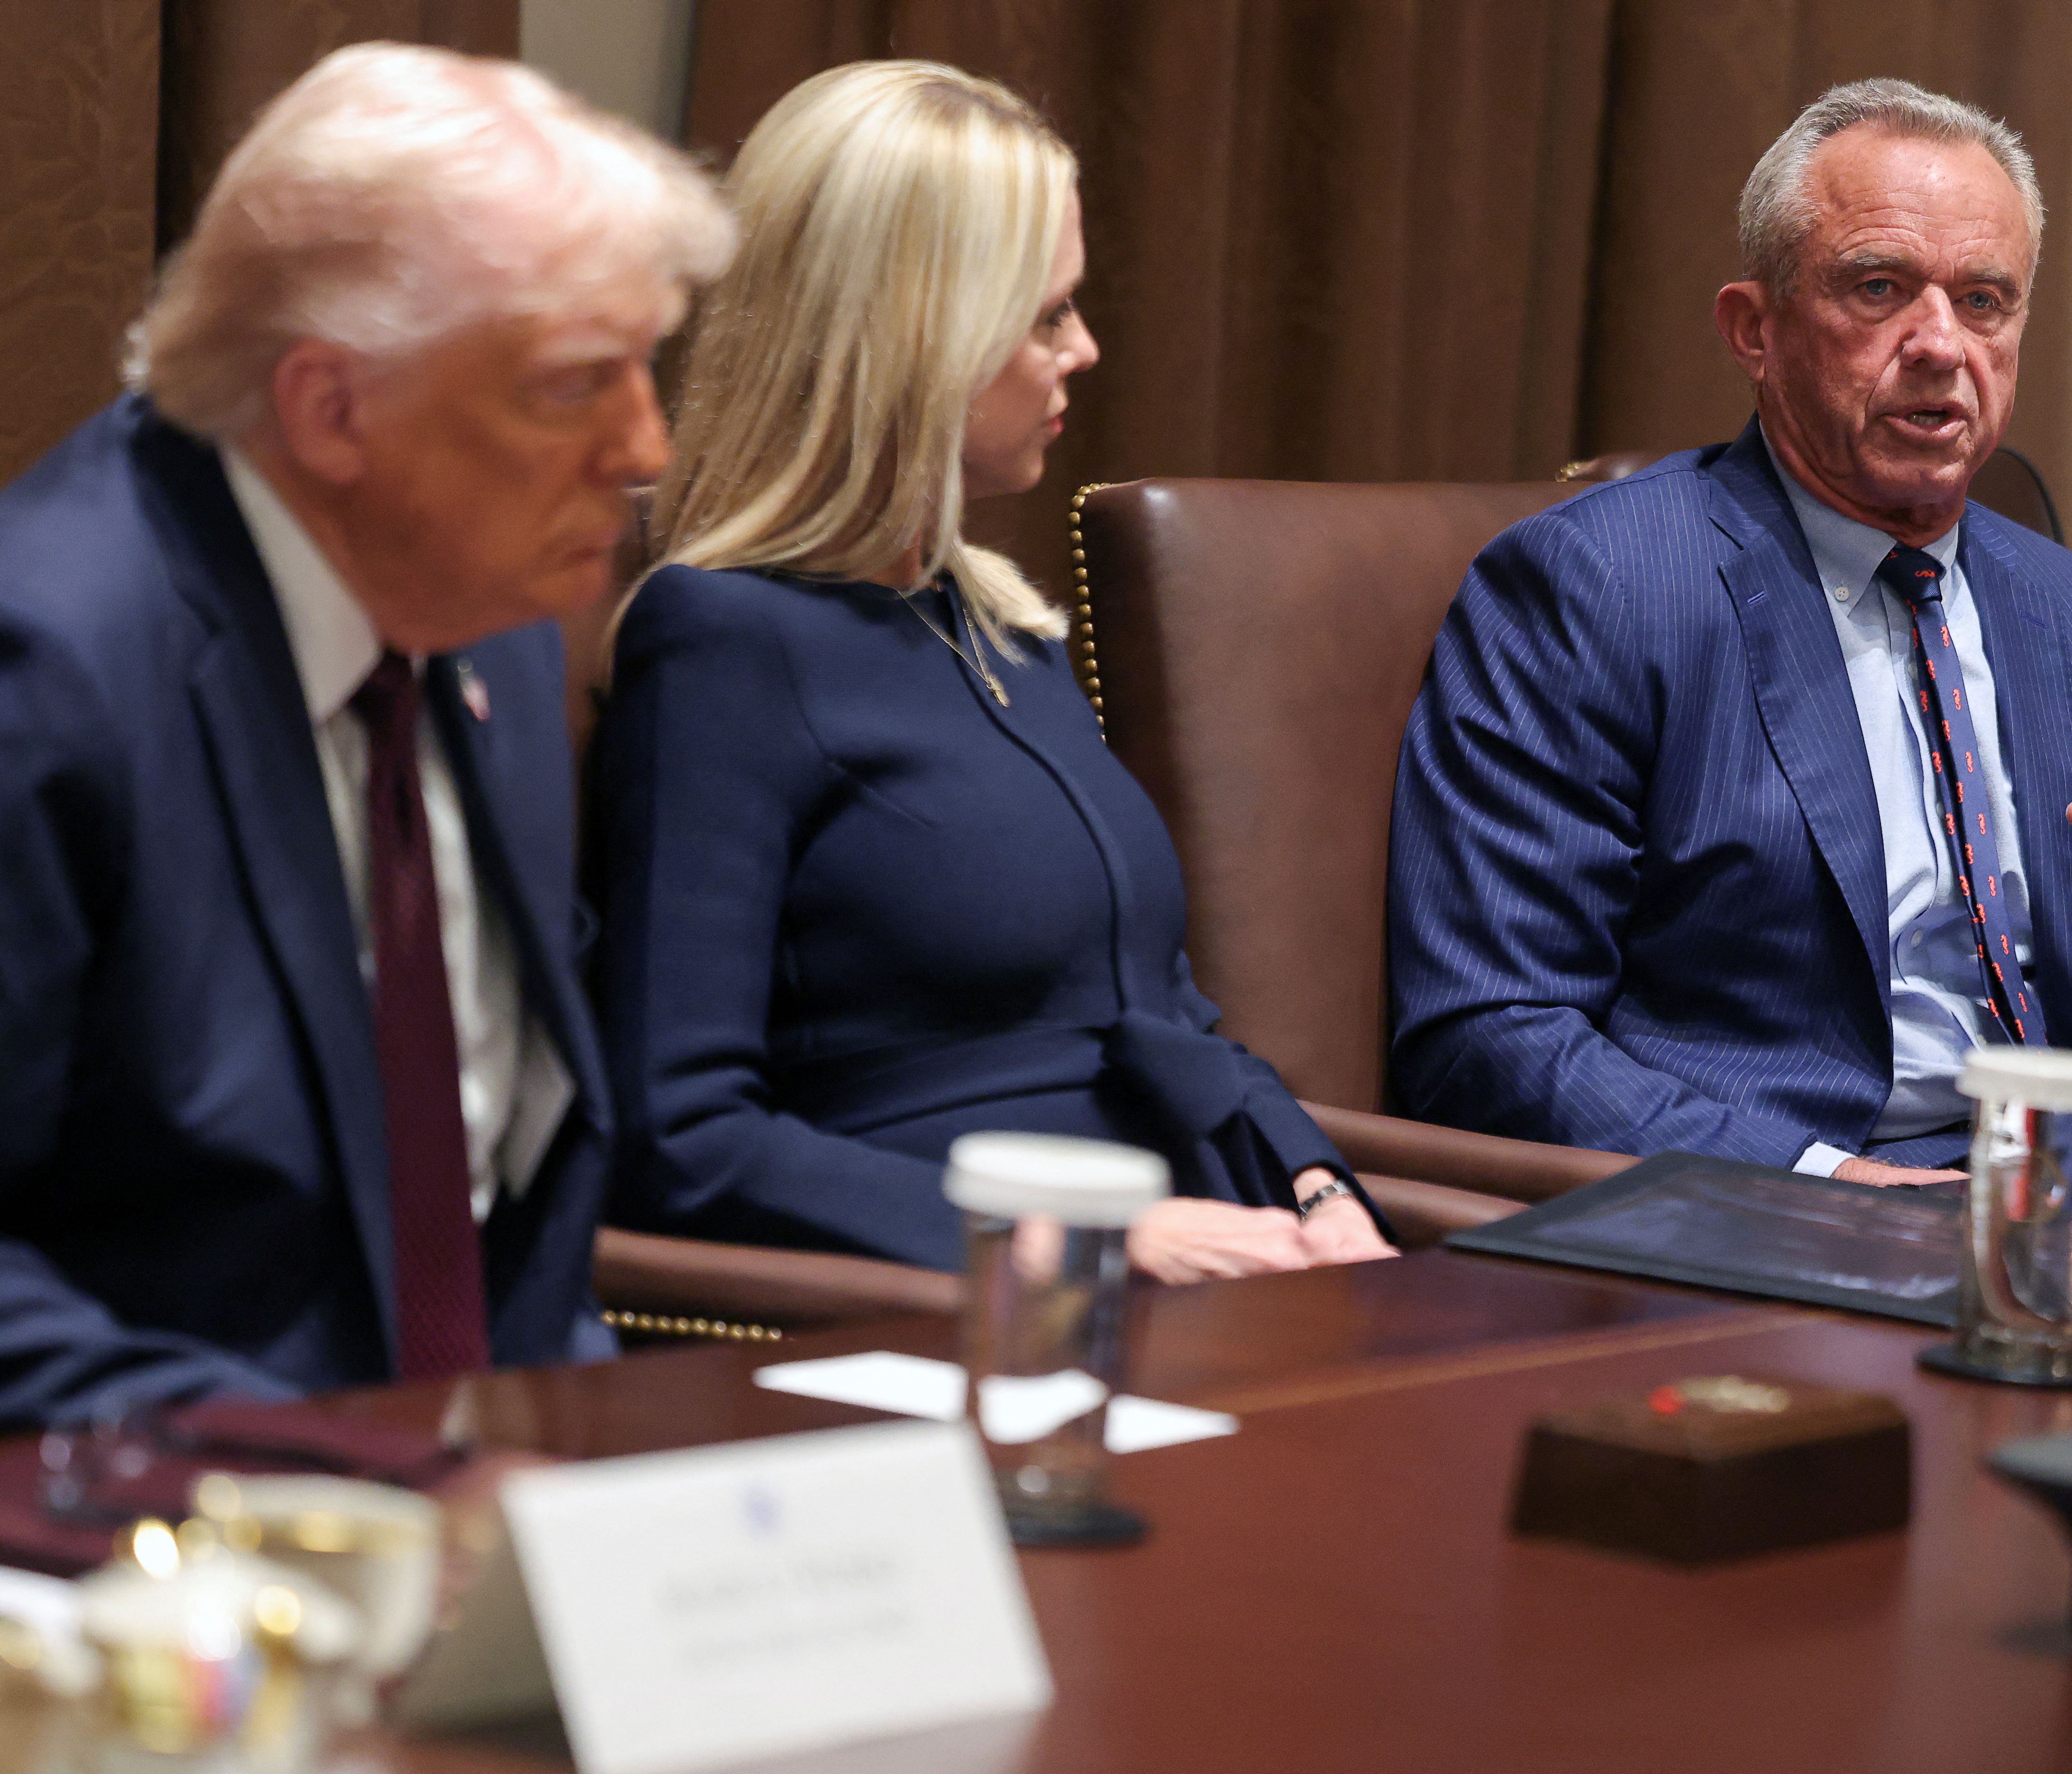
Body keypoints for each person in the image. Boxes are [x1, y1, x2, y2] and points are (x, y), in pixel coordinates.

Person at [0, 45, 732, 1431]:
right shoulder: (50, 666)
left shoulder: (493, 621)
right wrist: (348, 1488)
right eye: (576, 383)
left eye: (649, 368)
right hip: (151, 1559)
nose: (648, 448)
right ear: (331, 408)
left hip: (481, 1495)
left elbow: (502, 1196)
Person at [586, 63, 1394, 1282]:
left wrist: (1318, 1182)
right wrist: (1076, 1247)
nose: (1086, 349)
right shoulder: (722, 642)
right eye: (1045, 316)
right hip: (952, 1318)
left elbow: (1163, 1013)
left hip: (1207, 1261)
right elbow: (683, 1137)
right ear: (916, 338)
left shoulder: (996, 626)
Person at [1387, 80, 2072, 1179]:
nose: (1942, 343)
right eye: (1879, 287)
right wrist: (1827, 1186)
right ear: (1755, 329)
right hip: (1758, 1209)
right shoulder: (1590, 590)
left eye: (1985, 301)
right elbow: (1490, 1034)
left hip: (2056, 1209)